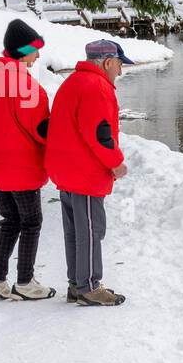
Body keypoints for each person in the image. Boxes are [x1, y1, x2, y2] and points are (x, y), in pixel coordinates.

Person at [0, 18, 57, 300]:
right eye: (36, 49)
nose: (39, 55)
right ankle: (25, 282)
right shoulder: (25, 85)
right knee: (30, 221)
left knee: (9, 220)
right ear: (23, 50)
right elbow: (42, 131)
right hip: (22, 168)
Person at [45, 39, 132, 306]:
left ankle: (77, 284)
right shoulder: (97, 88)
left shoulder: (72, 82)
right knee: (92, 230)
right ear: (107, 62)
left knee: (76, 230)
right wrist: (116, 163)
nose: (120, 71)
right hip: (84, 173)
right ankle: (90, 286)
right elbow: (100, 134)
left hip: (66, 171)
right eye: (119, 64)